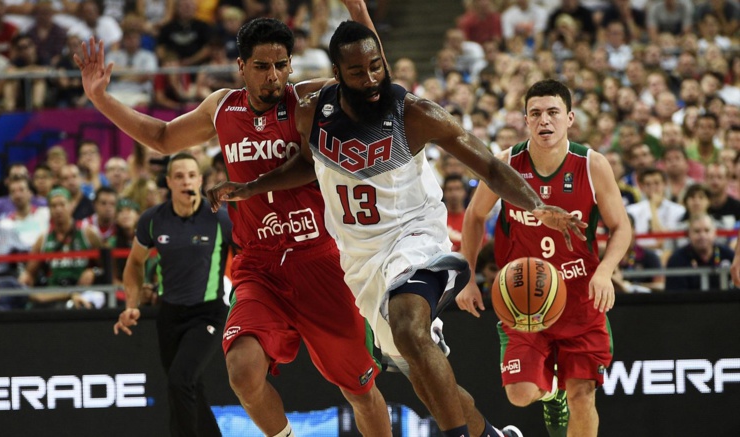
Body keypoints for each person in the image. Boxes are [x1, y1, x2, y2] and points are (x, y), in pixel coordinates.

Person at [209, 23, 586, 437]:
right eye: (357, 72)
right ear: (337, 74)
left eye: (376, 67)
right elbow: (306, 163)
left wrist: (537, 205)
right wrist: (251, 187)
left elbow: (492, 166)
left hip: (416, 237)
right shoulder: (311, 112)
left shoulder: (415, 113)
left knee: (408, 325)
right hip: (361, 261)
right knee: (423, 376)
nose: (371, 80)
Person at [76, 4, 394, 436]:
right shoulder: (221, 108)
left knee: (359, 390)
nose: (273, 76)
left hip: (318, 260)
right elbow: (163, 138)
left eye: (281, 65)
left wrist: (358, 8)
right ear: (241, 66)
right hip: (259, 267)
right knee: (242, 373)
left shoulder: (307, 100)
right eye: (262, 67)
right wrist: (101, 98)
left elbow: (371, 79)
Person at [457, 79, 632, 437]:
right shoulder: (506, 164)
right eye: (535, 113)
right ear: (525, 120)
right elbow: (474, 216)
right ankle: (552, 394)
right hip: (525, 299)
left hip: (581, 297)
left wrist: (605, 272)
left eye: (552, 112)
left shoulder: (591, 164)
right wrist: (467, 276)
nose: (544, 121)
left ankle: (563, 394)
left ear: (569, 118)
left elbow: (622, 228)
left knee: (582, 395)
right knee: (520, 395)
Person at [114, 153, 232, 437]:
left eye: (191, 175)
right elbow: (135, 263)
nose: (186, 181)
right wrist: (131, 304)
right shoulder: (154, 219)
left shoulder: (219, 218)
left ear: (201, 180)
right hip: (169, 316)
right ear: (168, 182)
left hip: (208, 313)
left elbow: (250, 257)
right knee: (187, 387)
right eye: (178, 176)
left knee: (180, 381)